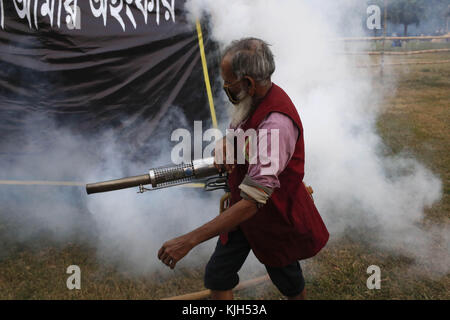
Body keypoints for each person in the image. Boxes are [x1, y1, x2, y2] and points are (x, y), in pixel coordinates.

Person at [157, 38, 329, 300]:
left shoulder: (276, 124)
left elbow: (253, 201)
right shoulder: (252, 100)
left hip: (272, 217)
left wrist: (189, 240)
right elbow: (239, 132)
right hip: (242, 213)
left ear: (248, 82)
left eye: (229, 82)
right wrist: (225, 143)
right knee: (218, 275)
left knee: (287, 279)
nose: (225, 87)